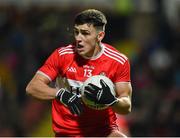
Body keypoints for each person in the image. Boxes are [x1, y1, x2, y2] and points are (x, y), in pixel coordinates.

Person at [26, 9, 132, 137]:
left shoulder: (118, 61)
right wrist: (59, 93)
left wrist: (112, 101)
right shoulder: (62, 55)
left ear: (100, 36)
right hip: (67, 134)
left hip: (103, 132)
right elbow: (32, 87)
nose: (78, 39)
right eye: (76, 32)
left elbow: (126, 106)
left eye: (85, 33)